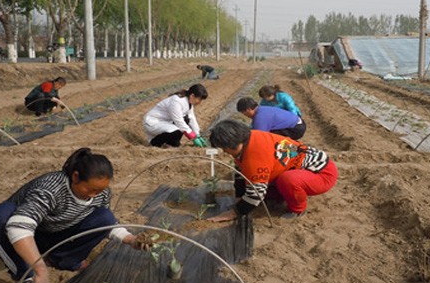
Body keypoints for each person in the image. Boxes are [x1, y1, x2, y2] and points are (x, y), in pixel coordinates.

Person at [0, 148, 140, 283]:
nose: (94, 195)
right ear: (75, 176)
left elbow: (104, 223)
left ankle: (64, 260)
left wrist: (131, 240)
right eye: (90, 189)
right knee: (1, 215)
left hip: (54, 233)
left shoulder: (101, 194)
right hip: (23, 235)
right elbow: (18, 227)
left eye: (99, 190)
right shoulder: (52, 188)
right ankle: (26, 276)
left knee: (105, 215)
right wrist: (40, 270)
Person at [207, 119, 337, 221]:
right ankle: (283, 193)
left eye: (224, 148)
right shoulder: (249, 139)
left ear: (232, 143)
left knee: (286, 181)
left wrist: (234, 212)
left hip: (322, 173)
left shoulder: (255, 154)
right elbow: (241, 172)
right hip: (294, 167)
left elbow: (256, 194)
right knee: (263, 193)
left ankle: (298, 209)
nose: (224, 151)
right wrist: (239, 197)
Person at [143, 84, 209, 148]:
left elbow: (192, 118)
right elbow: (179, 121)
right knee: (176, 131)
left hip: (165, 122)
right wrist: (193, 137)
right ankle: (154, 143)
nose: (200, 102)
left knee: (186, 119)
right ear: (192, 96)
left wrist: (197, 135)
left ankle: (172, 143)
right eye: (199, 99)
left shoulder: (189, 103)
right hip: (153, 122)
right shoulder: (176, 101)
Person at [236, 97, 306, 140]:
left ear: (248, 109)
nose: (245, 115)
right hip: (298, 123)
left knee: (268, 138)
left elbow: (258, 136)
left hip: (295, 130)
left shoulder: (260, 117)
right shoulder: (262, 109)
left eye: (243, 113)